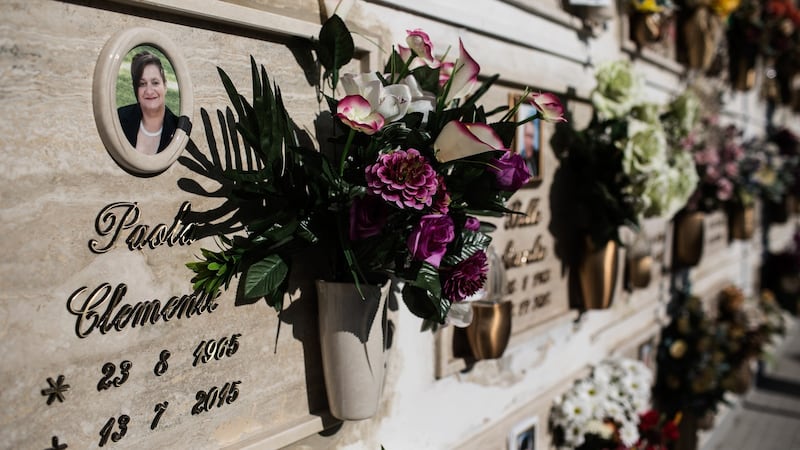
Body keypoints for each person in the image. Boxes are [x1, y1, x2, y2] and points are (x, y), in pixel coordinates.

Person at [117, 51, 178, 155]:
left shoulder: (177, 128)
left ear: (165, 86)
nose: (149, 91)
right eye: (142, 84)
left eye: (155, 83)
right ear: (136, 90)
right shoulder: (119, 118)